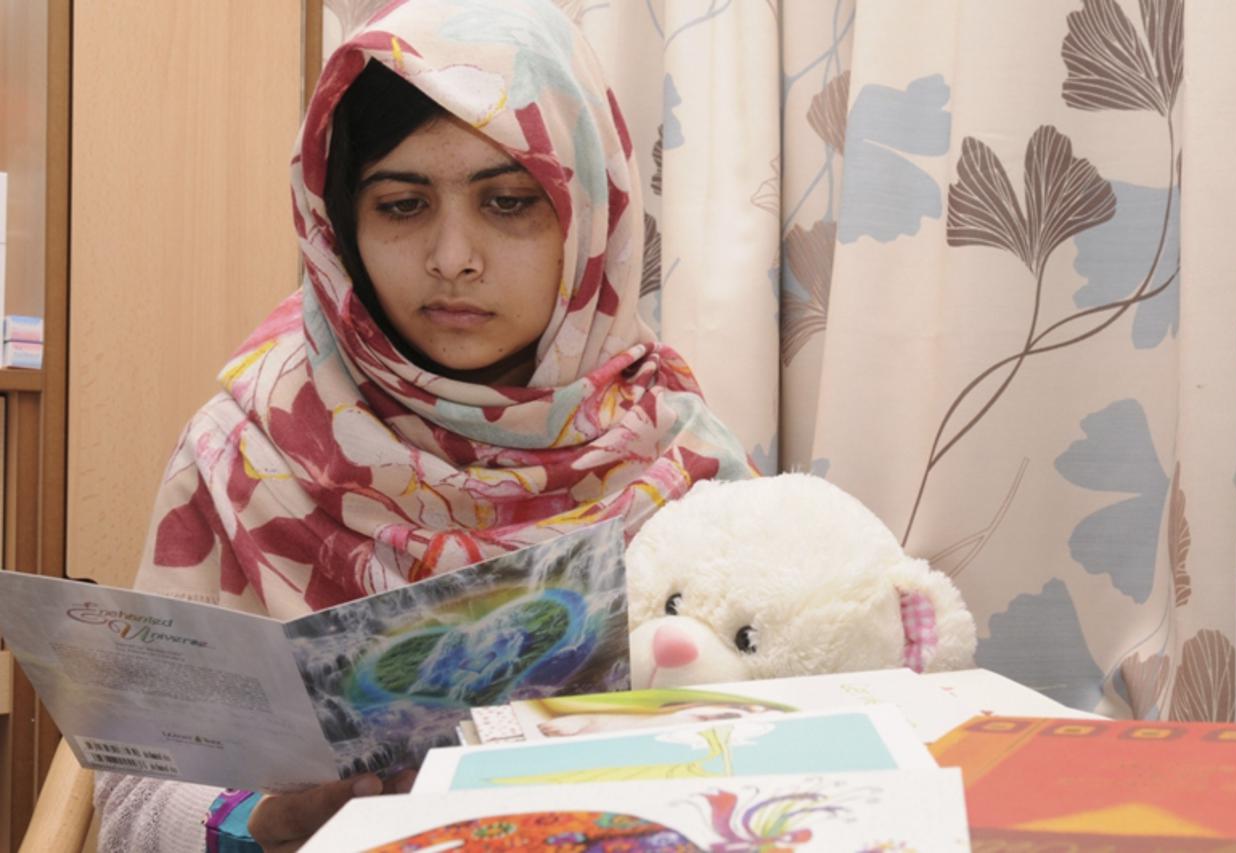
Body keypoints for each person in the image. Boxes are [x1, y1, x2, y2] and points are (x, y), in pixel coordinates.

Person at [92, 0, 753, 850]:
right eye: (402, 206)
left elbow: (792, 740)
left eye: (508, 202)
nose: (452, 258)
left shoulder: (682, 459)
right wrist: (267, 823)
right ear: (340, 222)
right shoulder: (243, 450)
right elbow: (133, 799)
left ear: (588, 212)